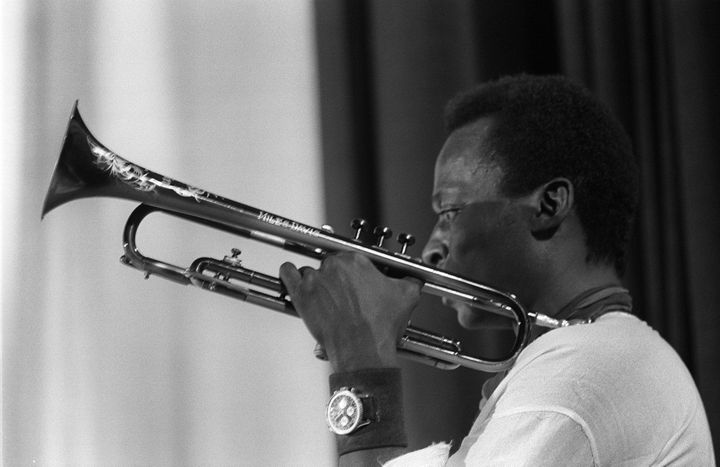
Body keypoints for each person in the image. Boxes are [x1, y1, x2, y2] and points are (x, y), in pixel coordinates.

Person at [279, 75, 715, 466]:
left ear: (548, 206)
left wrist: (360, 360)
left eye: (449, 212)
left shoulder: (581, 373)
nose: (430, 250)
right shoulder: (596, 356)